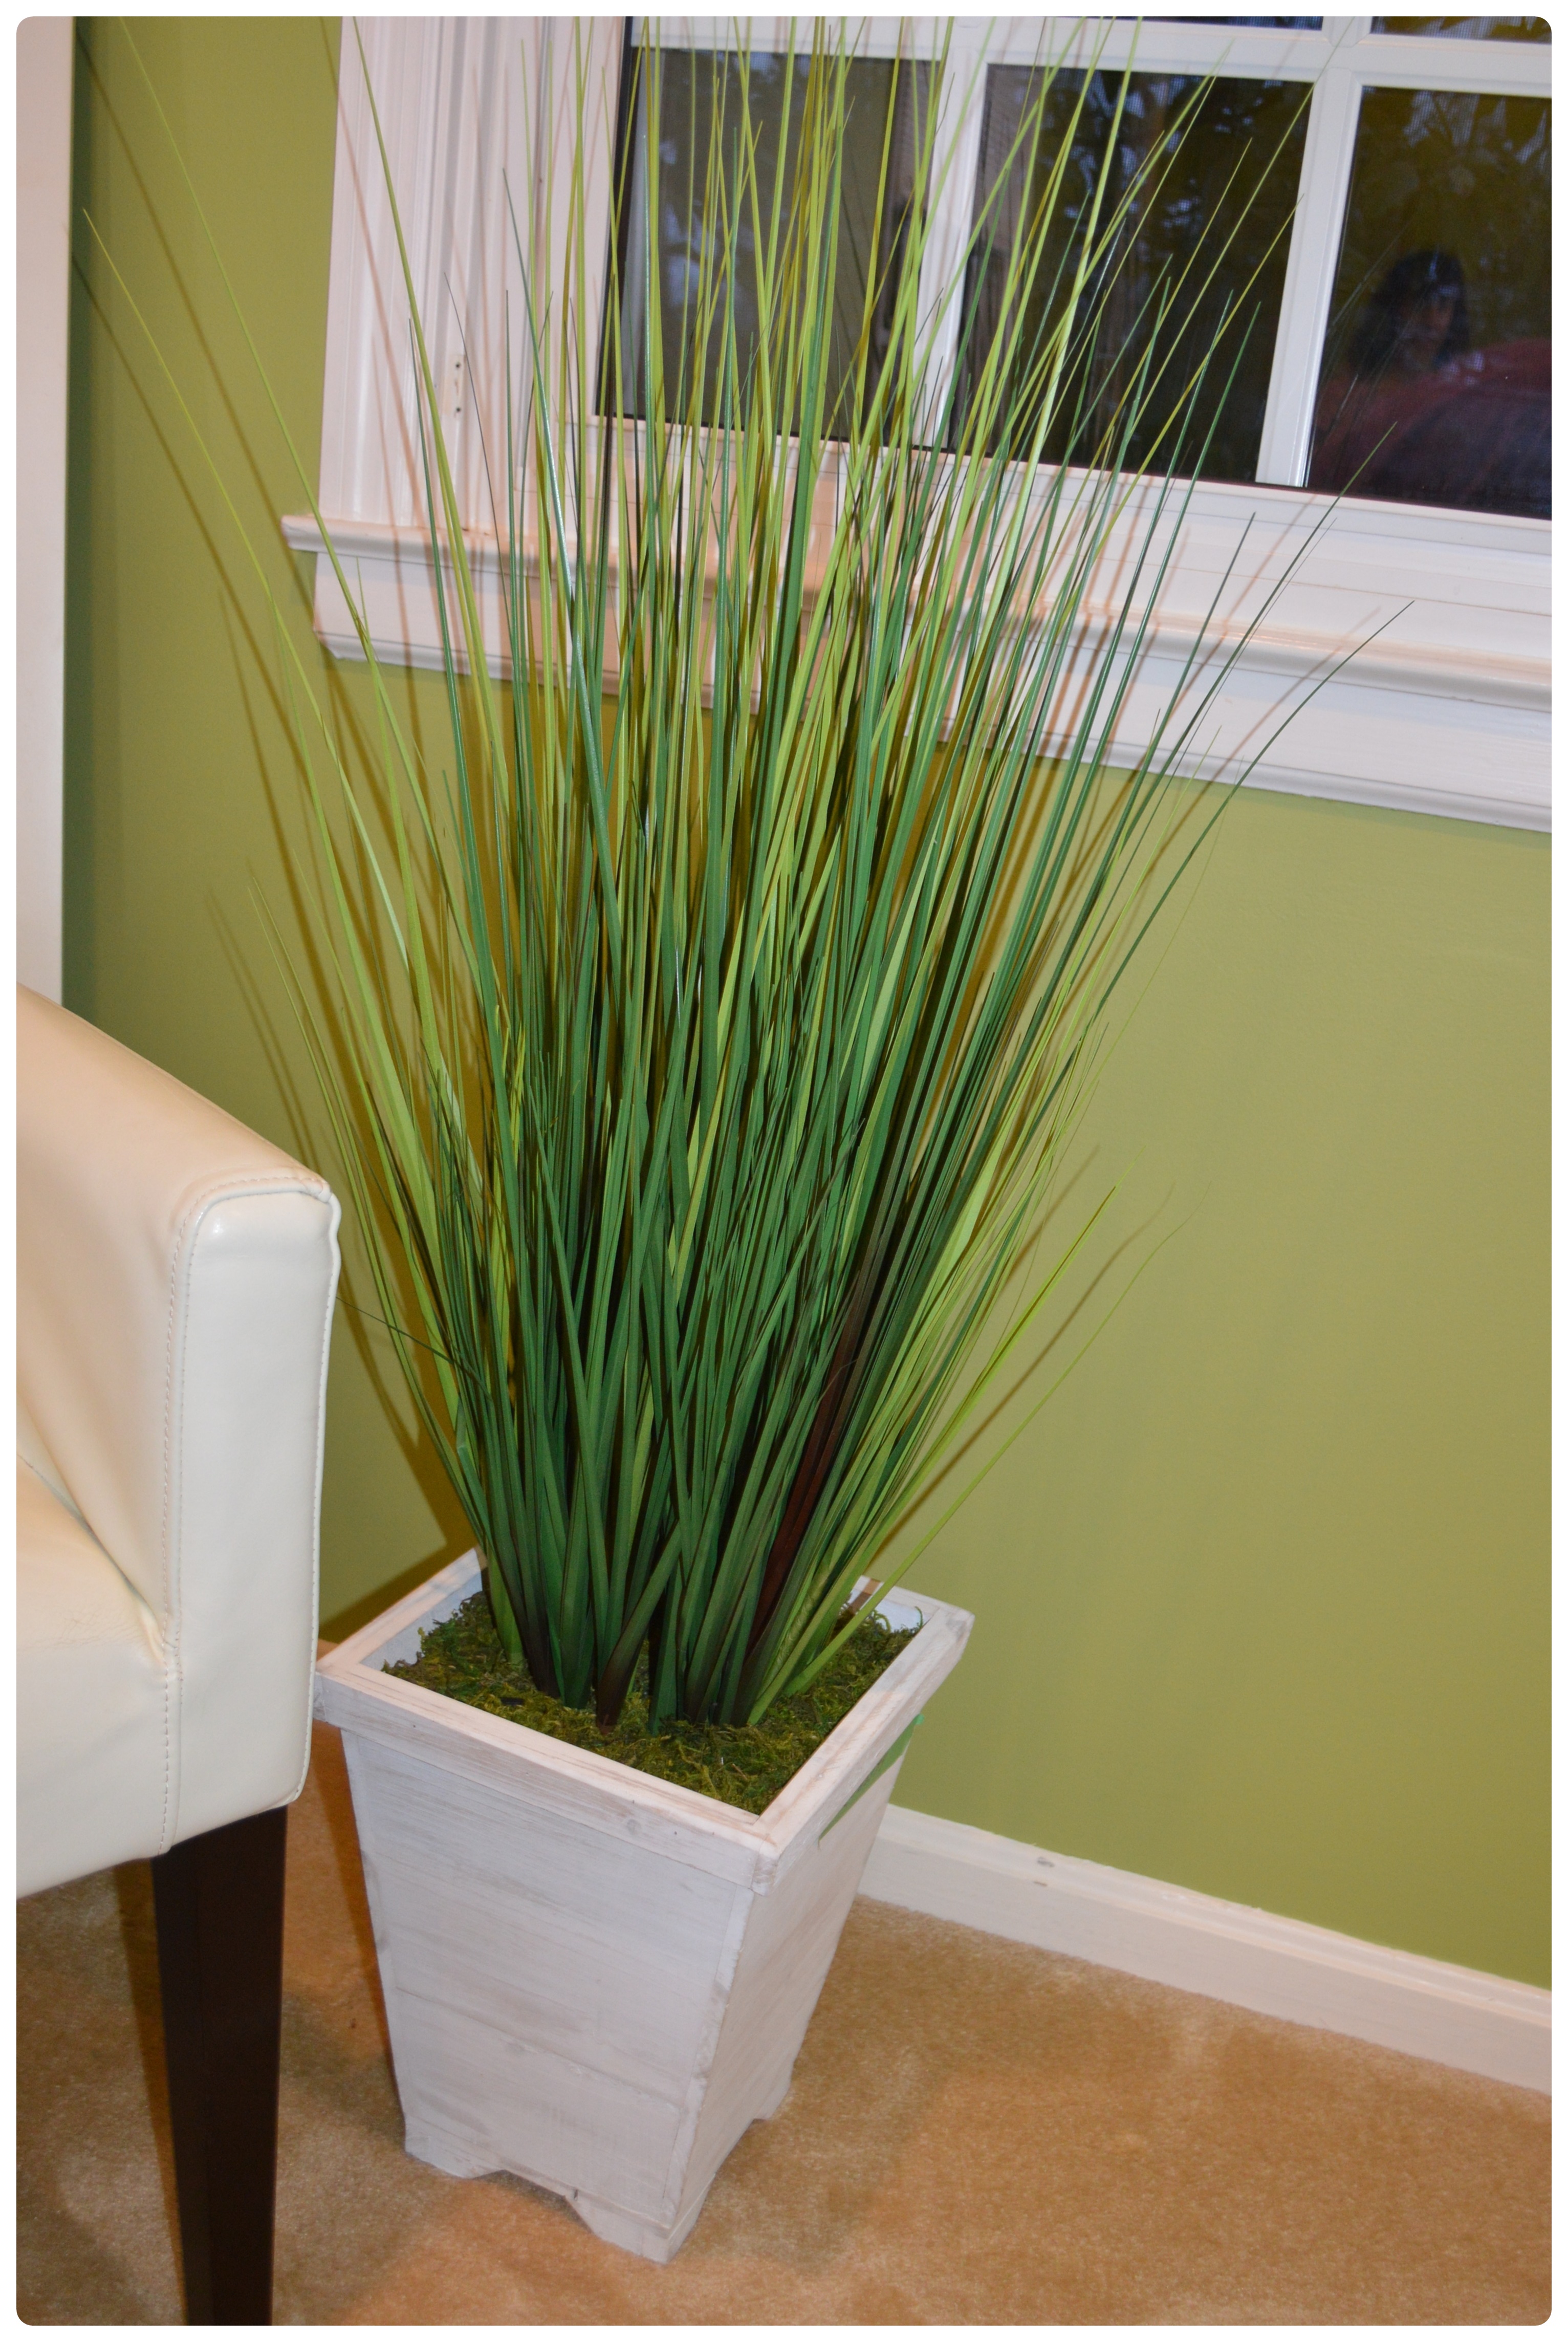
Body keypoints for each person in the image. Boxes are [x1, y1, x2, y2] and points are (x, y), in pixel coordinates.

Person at [1310, 248, 1549, 519]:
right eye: (1422, 301)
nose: (1432, 319)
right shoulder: (1344, 394)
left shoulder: (1462, 397)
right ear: (1396, 308)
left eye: (1444, 306)